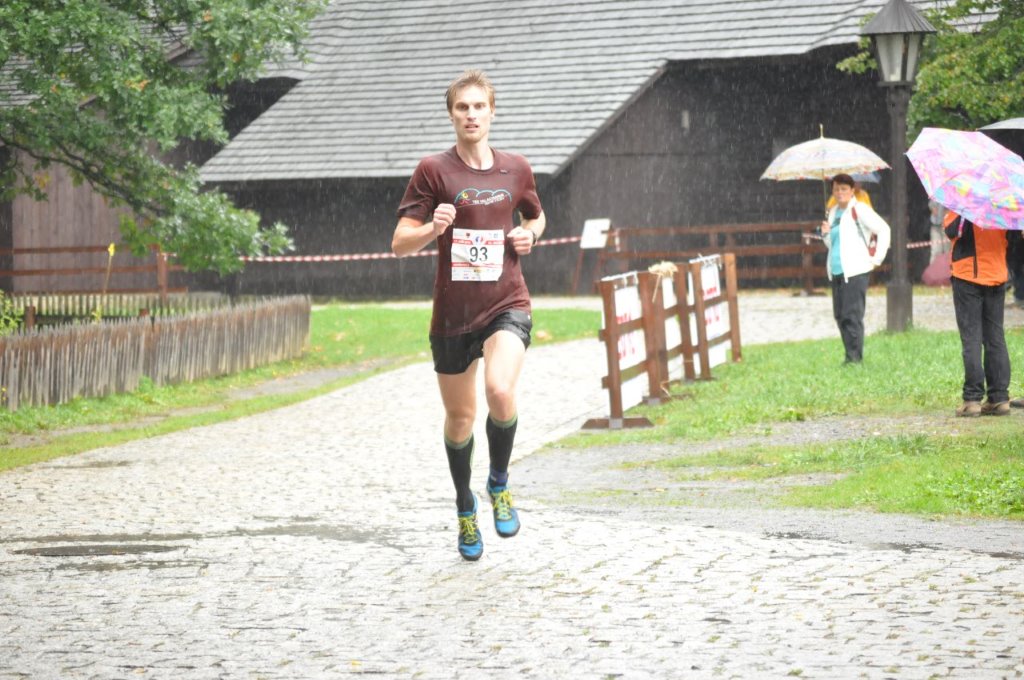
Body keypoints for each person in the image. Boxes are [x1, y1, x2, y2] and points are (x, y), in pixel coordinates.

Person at [391, 69, 546, 561]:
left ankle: (498, 482)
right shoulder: (433, 170)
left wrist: (530, 235)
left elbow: (535, 214)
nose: (471, 115)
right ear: (451, 115)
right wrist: (432, 229)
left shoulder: (516, 168)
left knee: (500, 390)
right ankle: (464, 505)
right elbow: (399, 243)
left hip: (506, 302)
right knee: (461, 418)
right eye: (463, 107)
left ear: (492, 112)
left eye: (479, 106)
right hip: (453, 314)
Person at [944, 211, 1016, 417]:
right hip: (997, 274)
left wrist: (960, 212)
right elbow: (1012, 240)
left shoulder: (966, 205)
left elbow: (951, 231)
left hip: (968, 276)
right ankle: (999, 398)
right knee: (995, 338)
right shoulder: (1003, 207)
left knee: (971, 339)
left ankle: (972, 399)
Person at [820, 173, 891, 364]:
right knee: (840, 315)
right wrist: (825, 234)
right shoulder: (832, 212)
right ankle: (849, 354)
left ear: (852, 191)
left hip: (856, 270)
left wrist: (877, 258)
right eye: (836, 189)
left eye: (844, 189)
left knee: (852, 315)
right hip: (837, 270)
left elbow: (884, 229)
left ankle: (854, 358)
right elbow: (832, 244)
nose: (840, 192)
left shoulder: (859, 209)